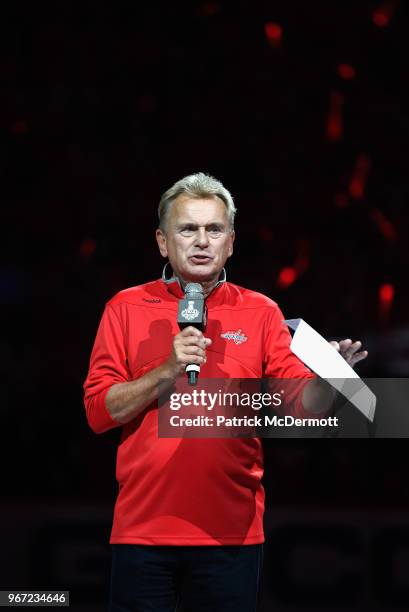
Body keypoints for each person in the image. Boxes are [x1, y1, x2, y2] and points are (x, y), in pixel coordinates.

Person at [83, 173, 367, 612]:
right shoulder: (124, 307)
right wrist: (168, 370)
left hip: (231, 536)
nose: (201, 241)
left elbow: (299, 409)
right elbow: (99, 413)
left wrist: (333, 382)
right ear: (162, 242)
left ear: (230, 243)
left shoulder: (261, 311)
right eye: (187, 228)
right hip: (142, 531)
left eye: (213, 229)